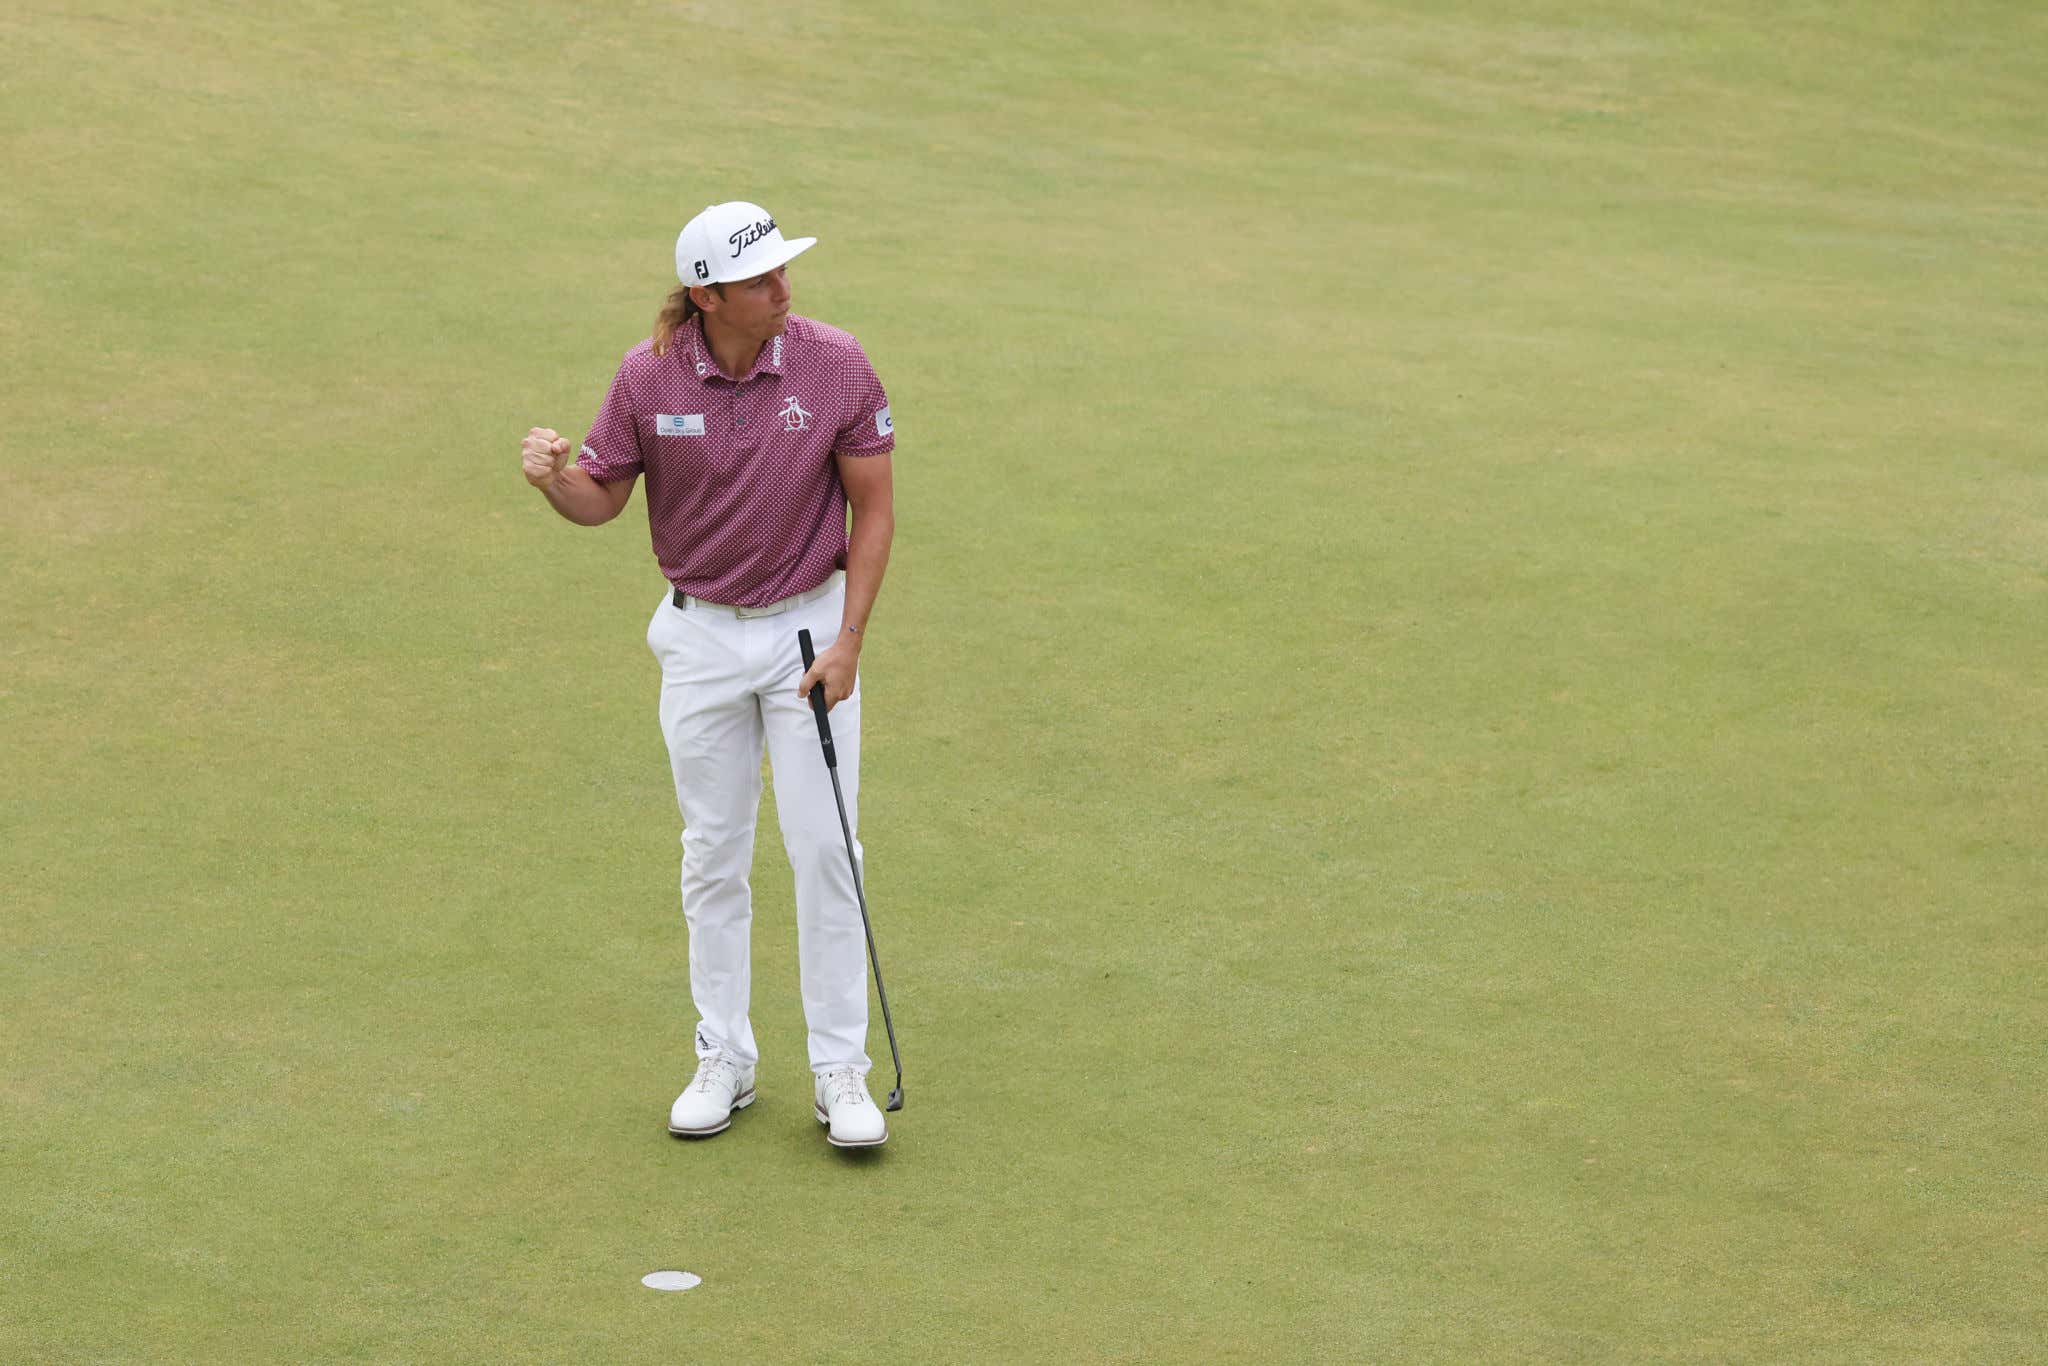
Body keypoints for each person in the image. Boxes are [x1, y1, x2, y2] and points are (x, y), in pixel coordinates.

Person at [519, 201, 897, 1148]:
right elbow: (601, 498)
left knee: (827, 850)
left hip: (809, 634)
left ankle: (840, 1069)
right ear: (707, 297)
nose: (782, 289)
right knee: (713, 854)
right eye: (759, 279)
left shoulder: (836, 362)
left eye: (781, 270)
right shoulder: (647, 377)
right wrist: (555, 478)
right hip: (698, 641)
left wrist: (849, 641)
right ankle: (724, 1056)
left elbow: (875, 510)